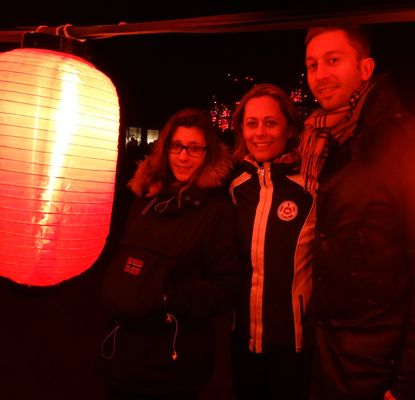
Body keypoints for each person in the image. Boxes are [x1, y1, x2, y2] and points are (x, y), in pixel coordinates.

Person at [301, 25, 415, 400]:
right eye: (313, 64)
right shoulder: (329, 140)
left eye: (333, 60)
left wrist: (409, 383)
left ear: (365, 69)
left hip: (379, 366)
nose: (320, 74)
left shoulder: (408, 145)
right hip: (331, 351)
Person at [97, 107, 241, 400]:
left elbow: (226, 286)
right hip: (123, 354)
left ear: (207, 154)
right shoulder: (145, 198)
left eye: (194, 148)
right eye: (176, 146)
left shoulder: (217, 211)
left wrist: (165, 297)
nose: (183, 156)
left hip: (174, 360)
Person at [228, 83, 316, 400]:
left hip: (294, 346)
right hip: (242, 340)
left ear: (289, 127)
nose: (260, 133)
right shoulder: (237, 186)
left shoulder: (311, 187)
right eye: (252, 123)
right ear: (241, 129)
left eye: (270, 122)